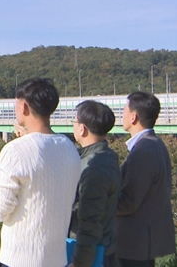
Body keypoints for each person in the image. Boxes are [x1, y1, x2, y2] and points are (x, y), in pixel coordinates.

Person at [0, 78, 81, 267]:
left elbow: (0, 210)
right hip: (57, 259)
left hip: (19, 259)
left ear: (23, 107)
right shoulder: (69, 147)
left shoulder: (15, 150)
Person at [115, 91, 176, 267]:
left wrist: (102, 202)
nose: (122, 115)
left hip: (134, 243)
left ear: (133, 117)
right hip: (144, 241)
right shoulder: (154, 144)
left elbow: (129, 202)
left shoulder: (143, 150)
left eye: (124, 111)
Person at [68, 100, 121, 267]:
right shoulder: (107, 155)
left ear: (82, 129)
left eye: (74, 122)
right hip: (103, 248)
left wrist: (79, 263)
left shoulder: (94, 168)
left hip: (91, 254)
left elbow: (89, 222)